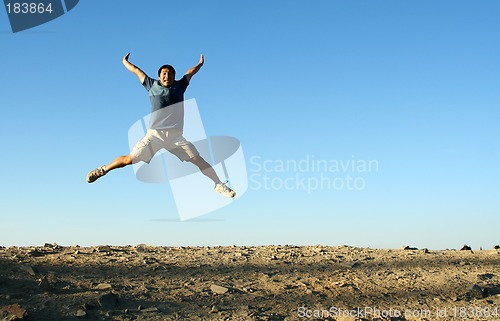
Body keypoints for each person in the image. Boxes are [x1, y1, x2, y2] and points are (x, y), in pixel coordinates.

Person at [86, 53, 235, 198]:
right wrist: (125, 62)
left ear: (174, 76)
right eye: (164, 73)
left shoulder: (180, 86)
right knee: (129, 160)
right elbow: (137, 71)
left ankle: (219, 185)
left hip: (176, 136)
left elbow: (190, 72)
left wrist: (200, 64)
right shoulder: (151, 85)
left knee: (198, 160)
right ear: (159, 76)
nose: (167, 76)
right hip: (155, 135)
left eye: (170, 74)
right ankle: (103, 170)